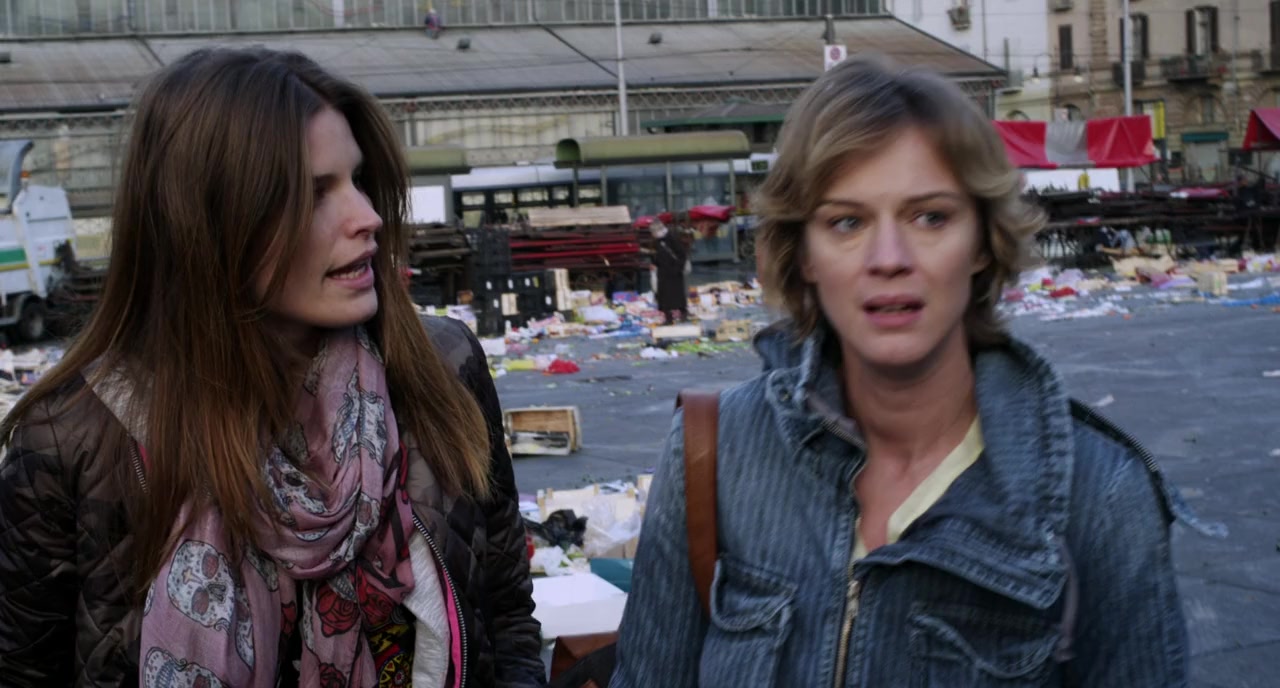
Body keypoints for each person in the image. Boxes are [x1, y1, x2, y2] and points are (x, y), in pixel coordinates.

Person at [612, 55, 1211, 687]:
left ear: (981, 242)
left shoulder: (1100, 497)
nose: (889, 258)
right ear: (805, 254)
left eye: (930, 217)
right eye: (847, 222)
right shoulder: (712, 454)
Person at [0, 47, 545, 687]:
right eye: (314, 194)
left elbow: (506, 619)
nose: (368, 217)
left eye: (357, 181)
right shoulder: (73, 441)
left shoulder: (440, 367)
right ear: (207, 222)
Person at [651, 218, 690, 324]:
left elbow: (681, 254)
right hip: (664, 272)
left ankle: (682, 313)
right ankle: (669, 317)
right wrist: (655, 263)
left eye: (654, 232)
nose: (653, 234)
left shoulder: (671, 238)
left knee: (676, 295)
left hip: (674, 272)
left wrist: (678, 268)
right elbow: (656, 255)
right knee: (665, 297)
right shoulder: (658, 241)